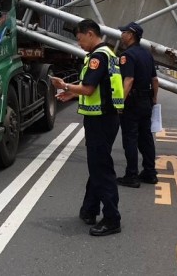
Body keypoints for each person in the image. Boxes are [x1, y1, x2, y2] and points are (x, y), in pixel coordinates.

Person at [50, 19, 125, 237]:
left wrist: (64, 85)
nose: (79, 43)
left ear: (90, 33)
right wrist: (72, 93)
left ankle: (112, 218)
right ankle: (89, 209)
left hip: (101, 118)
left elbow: (89, 87)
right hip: (106, 117)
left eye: (80, 38)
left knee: (101, 168)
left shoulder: (97, 57)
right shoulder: (109, 54)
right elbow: (99, 88)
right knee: (97, 165)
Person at [116, 22, 160, 188]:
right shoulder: (147, 54)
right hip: (146, 101)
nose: (121, 35)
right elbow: (155, 80)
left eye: (124, 32)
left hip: (132, 103)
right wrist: (154, 99)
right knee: (146, 138)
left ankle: (132, 175)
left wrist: (120, 103)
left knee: (130, 139)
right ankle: (150, 172)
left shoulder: (127, 56)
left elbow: (128, 80)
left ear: (131, 35)